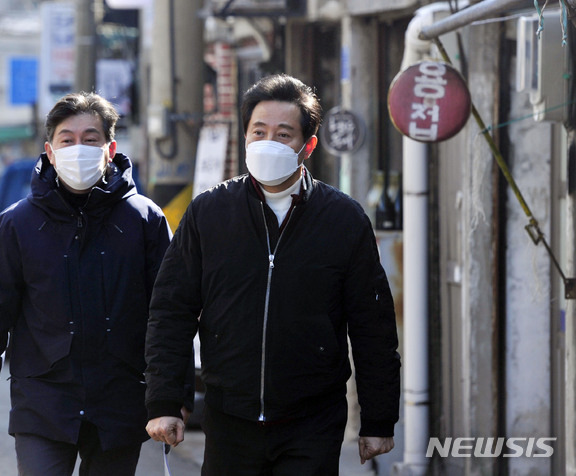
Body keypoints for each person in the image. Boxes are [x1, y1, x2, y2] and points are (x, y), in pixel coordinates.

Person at [145, 73, 401, 474]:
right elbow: (170, 311)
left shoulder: (342, 219)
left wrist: (378, 418)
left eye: (284, 134)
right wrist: (165, 402)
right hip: (229, 418)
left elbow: (373, 326)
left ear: (308, 145)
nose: (268, 142)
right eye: (258, 131)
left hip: (312, 420)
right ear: (244, 137)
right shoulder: (209, 213)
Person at [0, 92, 192, 476]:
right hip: (43, 404)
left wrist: (173, 398)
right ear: (50, 151)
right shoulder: (17, 225)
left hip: (119, 402)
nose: (78, 148)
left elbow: (169, 314)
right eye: (67, 140)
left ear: (110, 148)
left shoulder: (144, 220)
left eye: (91, 139)